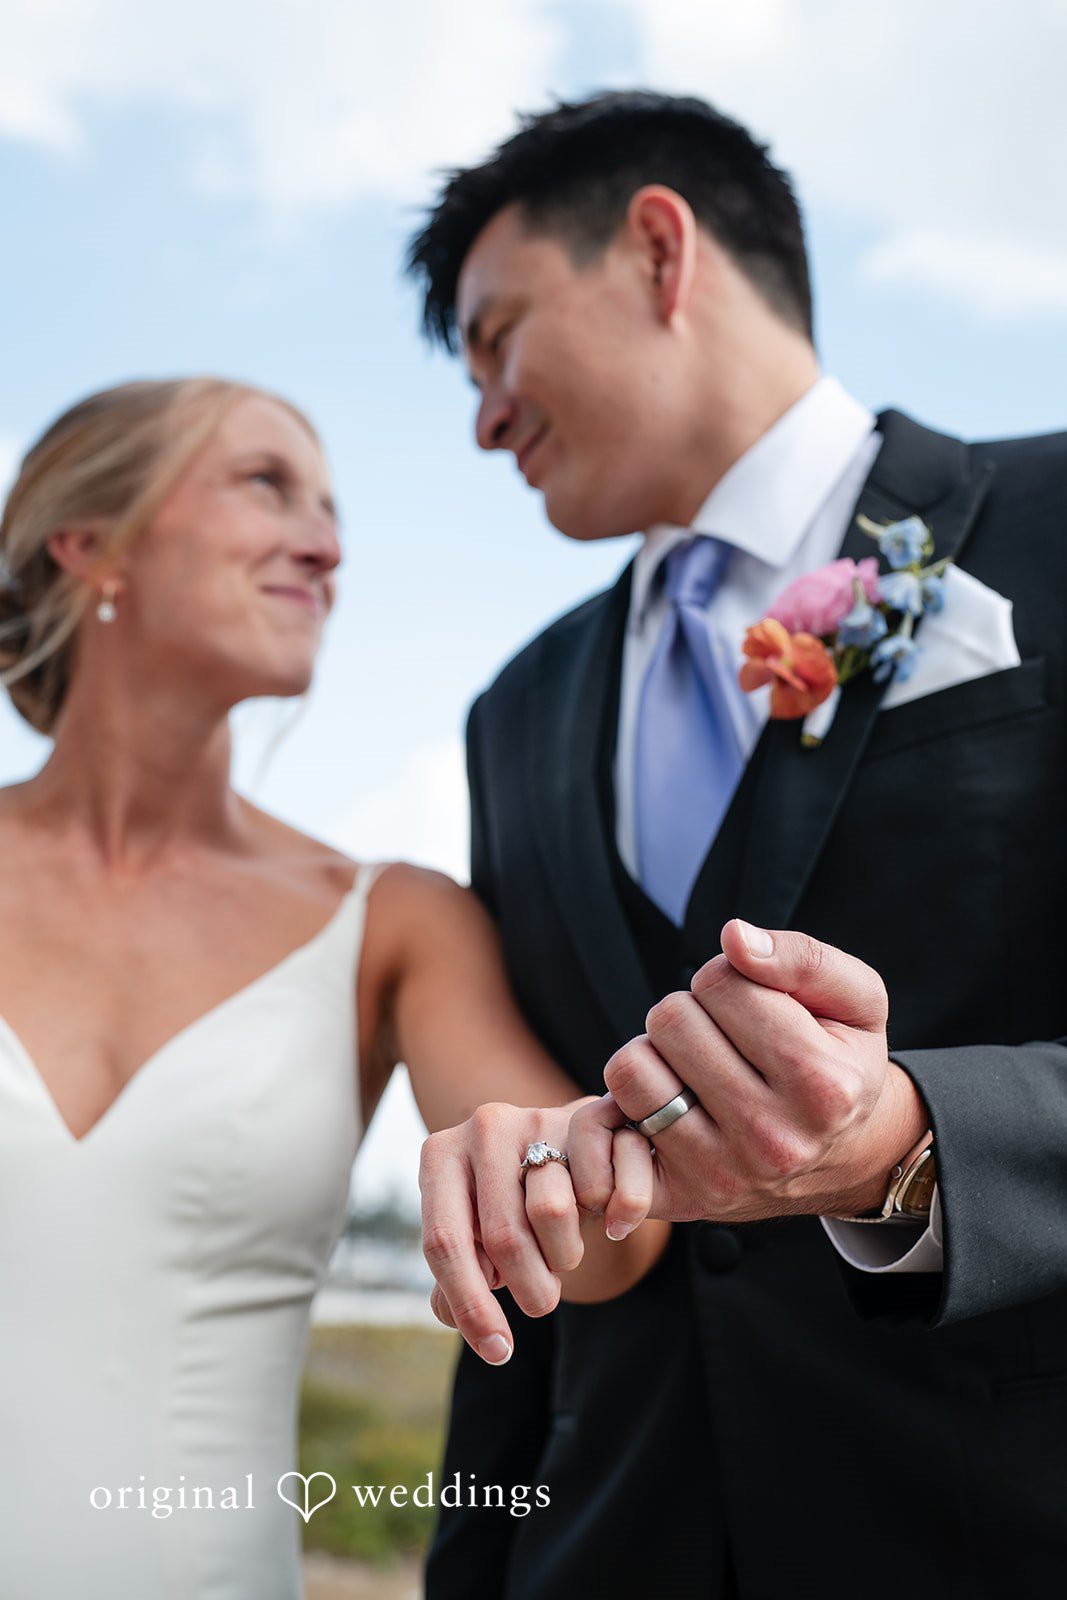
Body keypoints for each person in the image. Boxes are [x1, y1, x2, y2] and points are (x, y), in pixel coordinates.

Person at [408, 91, 1067, 1597]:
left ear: (656, 250)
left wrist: (908, 1149)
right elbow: (515, 1224)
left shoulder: (1045, 524)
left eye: (497, 336)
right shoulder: (510, 713)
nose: (482, 413)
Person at [0, 376, 664, 1600]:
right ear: (92, 545)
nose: (327, 543)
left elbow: (608, 1257)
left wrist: (551, 1161)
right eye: (266, 484)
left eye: (331, 506)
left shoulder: (390, 921)